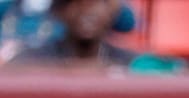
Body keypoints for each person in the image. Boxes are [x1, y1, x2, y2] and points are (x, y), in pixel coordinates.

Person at [6, 0, 135, 67]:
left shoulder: (129, 62)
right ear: (60, 10)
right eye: (76, 2)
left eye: (97, 3)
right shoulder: (31, 59)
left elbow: (129, 22)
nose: (87, 11)